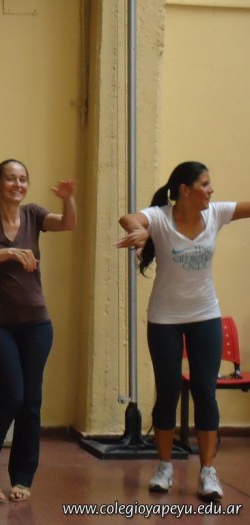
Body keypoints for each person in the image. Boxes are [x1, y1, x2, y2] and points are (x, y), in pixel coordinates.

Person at [117, 161, 250, 501]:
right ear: (185, 190)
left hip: (205, 315)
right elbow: (128, 218)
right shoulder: (160, 217)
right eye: (205, 184)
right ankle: (164, 467)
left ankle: (208, 472)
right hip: (165, 319)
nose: (211, 190)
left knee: (205, 391)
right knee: (168, 392)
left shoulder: (216, 214)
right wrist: (142, 232)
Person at [0, 159, 77, 503]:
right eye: (10, 178)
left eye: (23, 179)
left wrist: (68, 199)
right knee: (11, 396)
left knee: (31, 402)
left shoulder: (34, 214)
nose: (17, 184)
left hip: (37, 324)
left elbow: (68, 223)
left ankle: (23, 478)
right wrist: (9, 252)